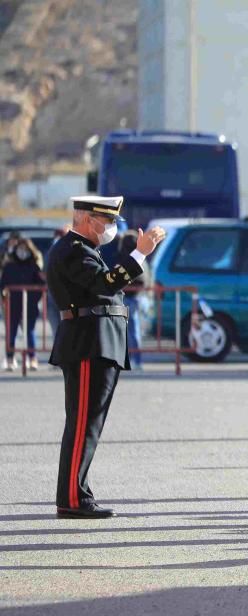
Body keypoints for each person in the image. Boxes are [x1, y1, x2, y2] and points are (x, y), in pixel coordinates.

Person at [48, 195, 166, 518]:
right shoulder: (72, 250)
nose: (112, 228)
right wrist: (140, 252)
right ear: (88, 220)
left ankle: (78, 493)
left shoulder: (86, 251)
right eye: (108, 221)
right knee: (83, 424)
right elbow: (104, 285)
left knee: (88, 425)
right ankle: (72, 498)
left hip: (98, 344)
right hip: (87, 345)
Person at [1, 236, 45, 371]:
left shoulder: (34, 267)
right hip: (12, 304)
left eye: (25, 249)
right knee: (11, 332)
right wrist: (4, 297)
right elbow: (2, 284)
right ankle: (10, 359)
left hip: (29, 305)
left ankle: (32, 358)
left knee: (30, 331)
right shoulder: (9, 267)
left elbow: (41, 286)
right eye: (20, 249)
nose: (22, 251)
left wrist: (33, 299)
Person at [116, 231, 150, 371]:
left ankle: (135, 359)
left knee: (131, 331)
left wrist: (121, 284)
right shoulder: (140, 257)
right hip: (137, 298)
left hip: (132, 298)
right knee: (130, 331)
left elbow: (140, 281)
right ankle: (132, 359)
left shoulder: (132, 259)